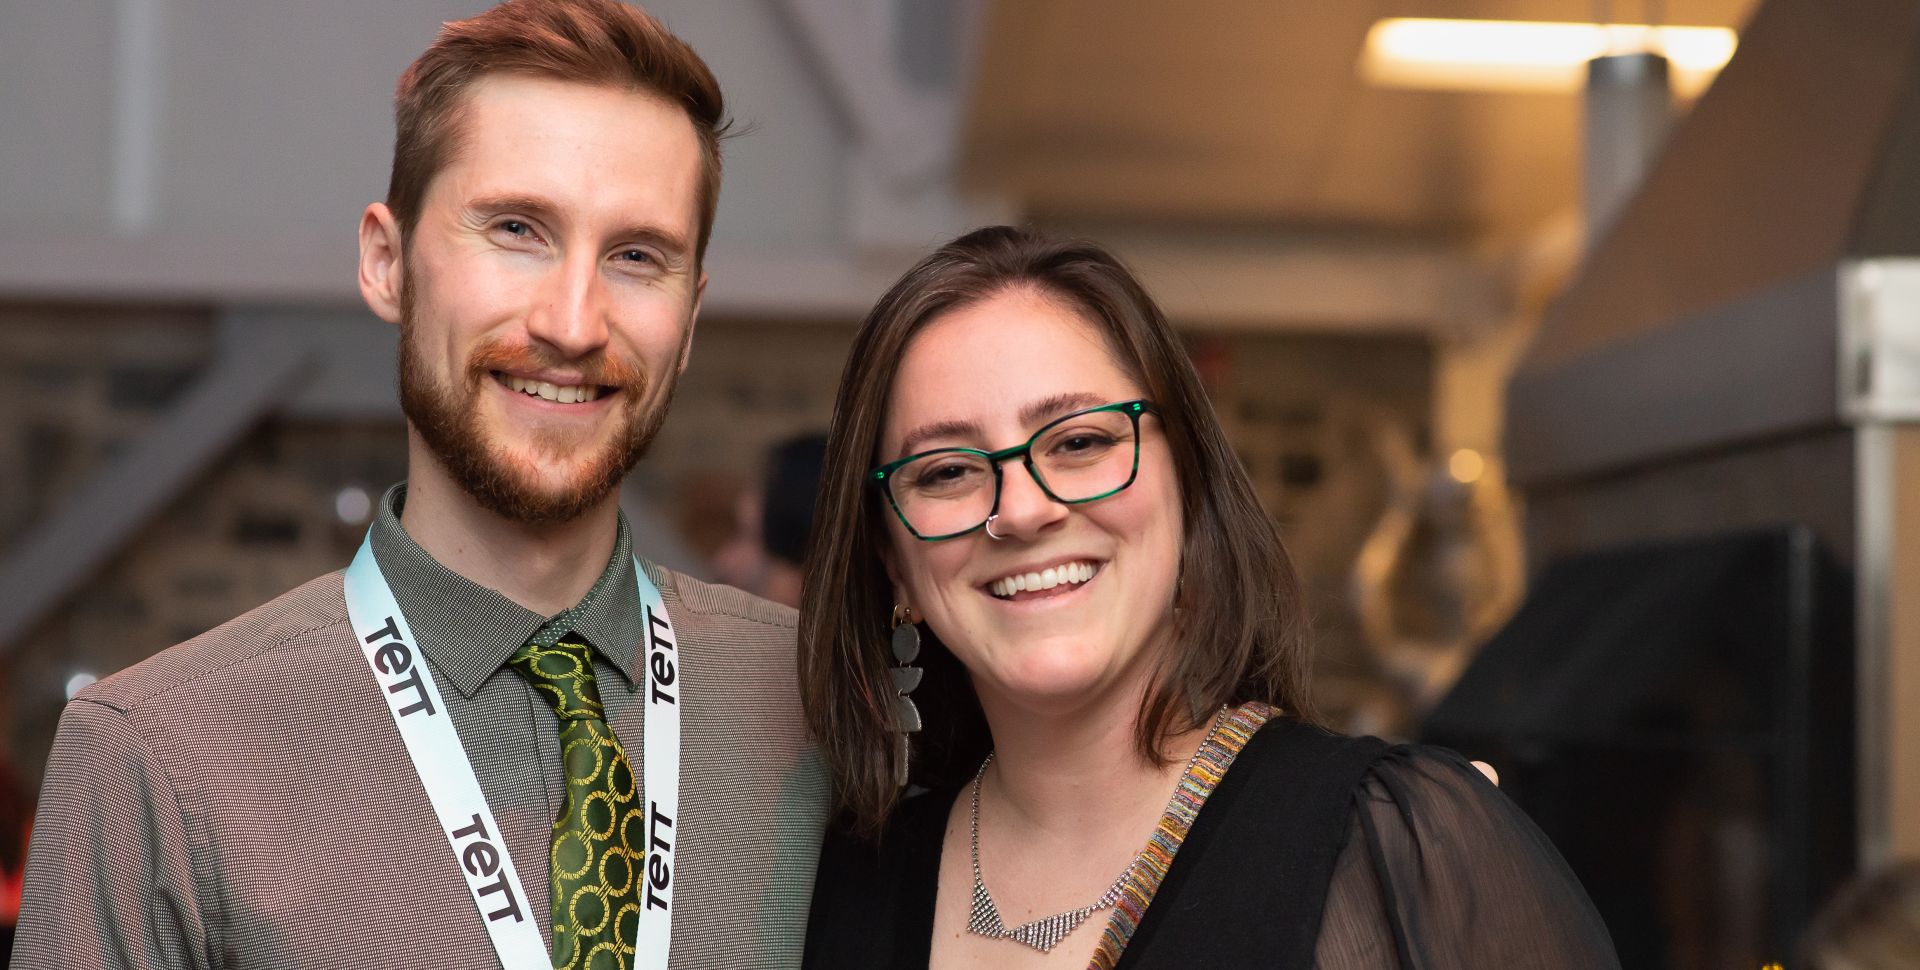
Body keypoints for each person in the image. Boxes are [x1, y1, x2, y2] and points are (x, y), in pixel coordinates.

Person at [12, 2, 828, 968]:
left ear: (689, 317)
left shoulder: (825, 702)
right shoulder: (158, 756)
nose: (573, 321)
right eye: (518, 228)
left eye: (636, 256)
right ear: (387, 262)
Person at [798, 226, 1620, 968]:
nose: (1021, 509)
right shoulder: (843, 896)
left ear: (1189, 487)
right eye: (945, 470)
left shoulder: (1395, 849)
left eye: (1081, 441)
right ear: (893, 560)